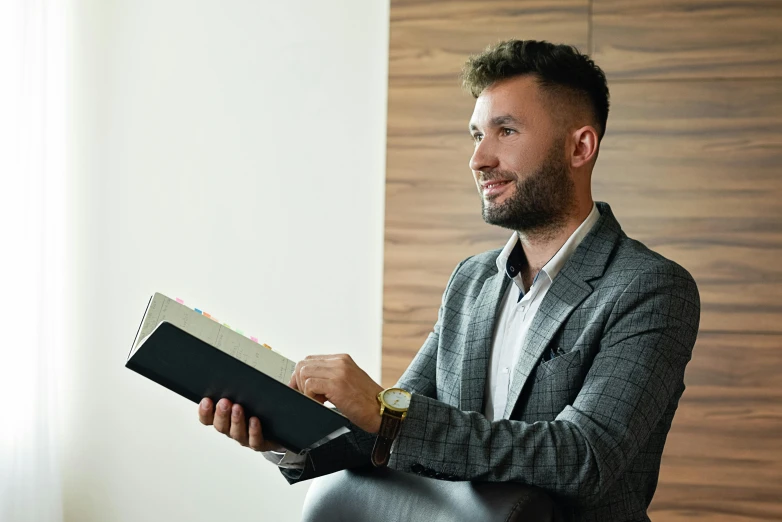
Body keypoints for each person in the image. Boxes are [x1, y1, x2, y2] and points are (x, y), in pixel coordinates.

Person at [197, 40, 700, 521]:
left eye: (506, 131)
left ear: (580, 147)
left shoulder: (651, 289)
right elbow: (392, 435)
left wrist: (385, 412)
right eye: (477, 134)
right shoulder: (471, 281)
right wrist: (284, 430)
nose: (478, 160)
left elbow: (582, 459)